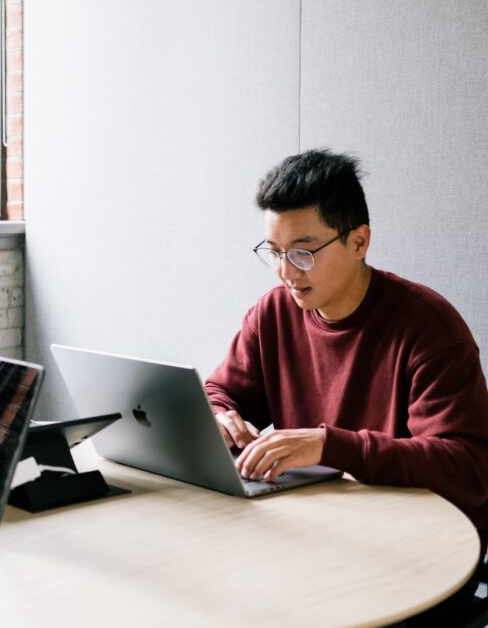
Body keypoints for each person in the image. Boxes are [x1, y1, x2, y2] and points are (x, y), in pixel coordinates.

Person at [205, 149, 488, 622]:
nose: (286, 272)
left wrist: (328, 446)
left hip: (421, 560)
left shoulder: (427, 326)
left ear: (359, 242)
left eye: (303, 252)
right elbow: (222, 393)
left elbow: (467, 465)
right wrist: (220, 418)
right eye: (274, 253)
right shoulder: (273, 314)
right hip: (321, 541)